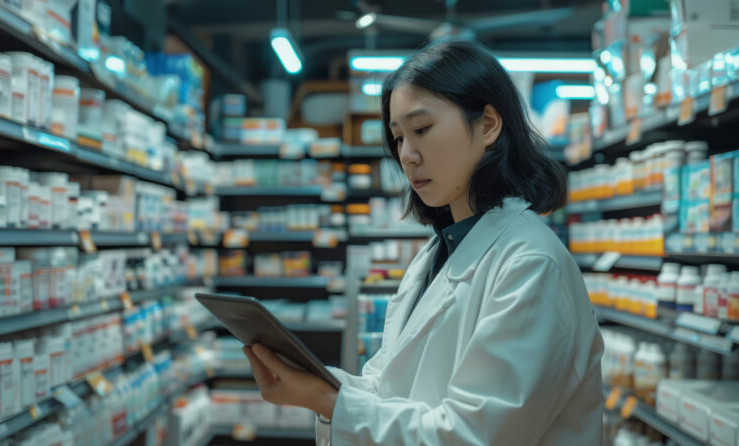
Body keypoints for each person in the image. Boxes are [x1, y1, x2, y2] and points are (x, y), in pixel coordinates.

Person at [242, 40, 604, 445]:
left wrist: (328, 400)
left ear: (487, 125)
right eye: (398, 137)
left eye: (421, 130)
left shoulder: (531, 264)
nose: (407, 155)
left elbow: (473, 436)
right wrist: (319, 384)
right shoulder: (438, 252)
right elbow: (389, 385)